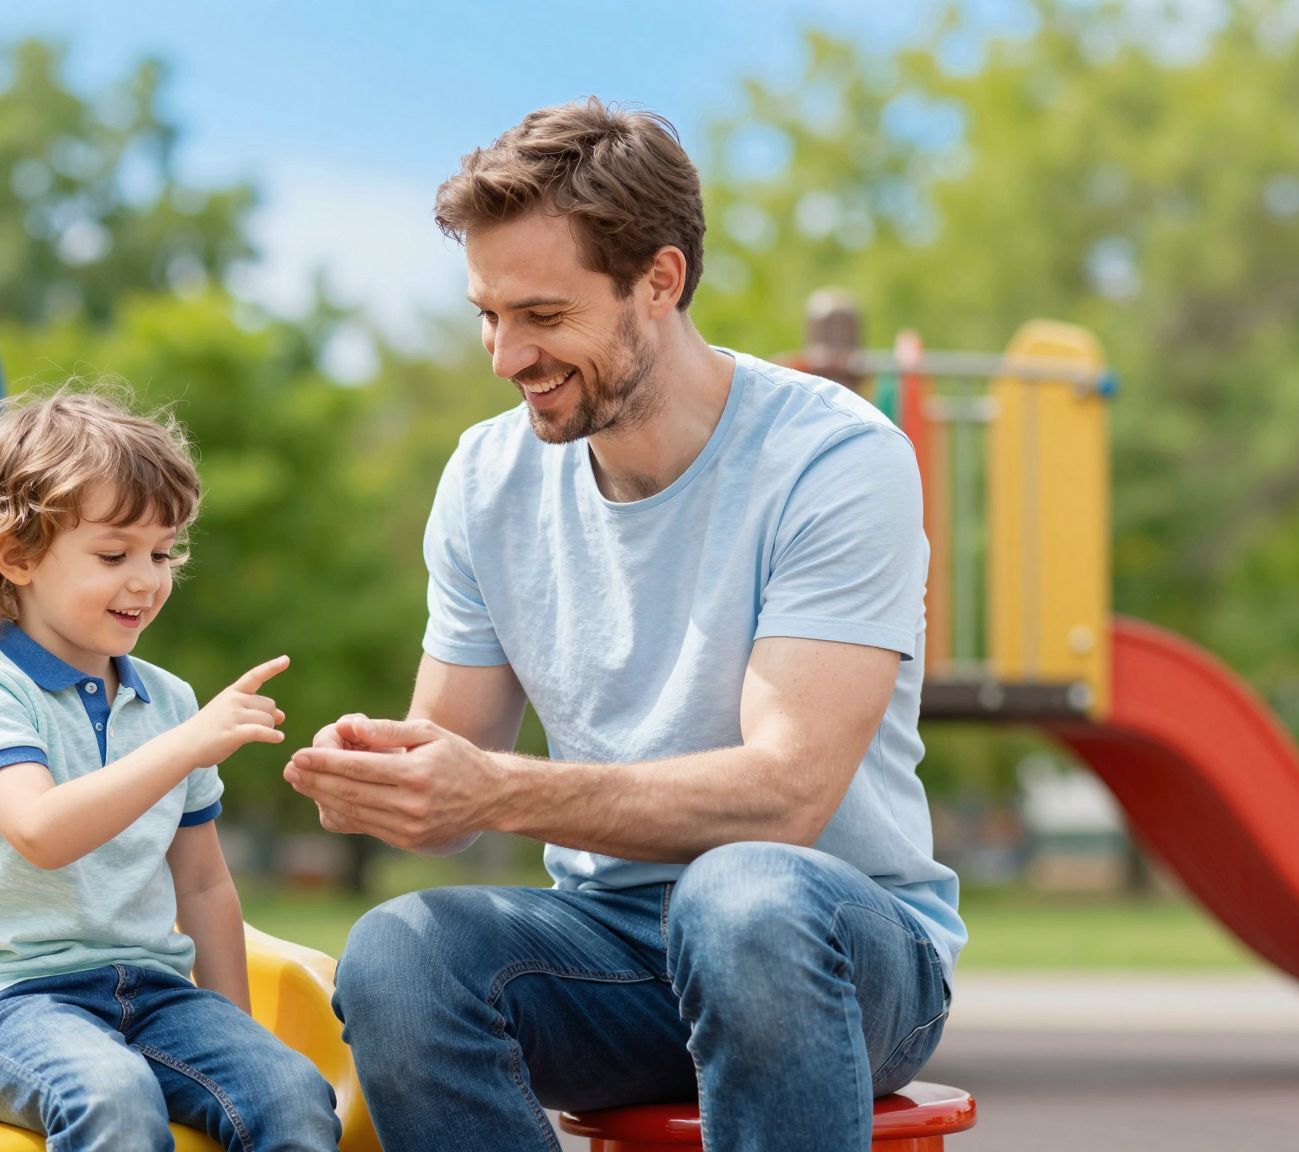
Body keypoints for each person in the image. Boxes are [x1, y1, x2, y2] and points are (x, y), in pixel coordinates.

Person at [285, 99, 964, 1152]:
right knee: (400, 955)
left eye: (542, 317)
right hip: (610, 949)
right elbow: (454, 780)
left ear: (659, 282)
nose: (504, 356)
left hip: (829, 947)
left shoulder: (834, 460)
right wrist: (391, 780)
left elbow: (784, 795)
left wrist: (497, 788)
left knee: (741, 902)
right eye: (487, 314)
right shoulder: (484, 476)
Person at [0, 385, 340, 1152]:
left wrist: (237, 1032)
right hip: (6, 1002)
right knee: (112, 1097)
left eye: (163, 552)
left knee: (292, 1091)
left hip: (154, 995)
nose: (147, 579)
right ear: (18, 556)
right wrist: (185, 746)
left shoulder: (169, 702)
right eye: (114, 555)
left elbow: (205, 884)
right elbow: (41, 830)